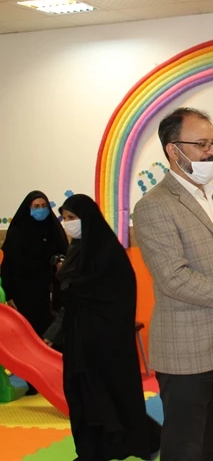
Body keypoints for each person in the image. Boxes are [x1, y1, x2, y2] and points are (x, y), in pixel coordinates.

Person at [132, 107, 213, 461]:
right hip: (186, 350)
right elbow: (174, 278)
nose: (210, 152)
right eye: (201, 144)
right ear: (173, 150)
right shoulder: (154, 206)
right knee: (185, 449)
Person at [49, 194, 161, 461]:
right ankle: (91, 450)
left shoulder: (109, 252)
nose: (67, 223)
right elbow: (68, 294)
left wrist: (75, 288)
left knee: (110, 394)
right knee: (81, 393)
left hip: (105, 342)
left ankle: (132, 441)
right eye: (64, 218)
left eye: (72, 218)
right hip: (79, 339)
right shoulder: (76, 250)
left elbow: (116, 296)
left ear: (87, 218)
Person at [0, 190, 68, 394]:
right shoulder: (17, 232)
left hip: (50, 294)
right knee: (29, 339)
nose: (41, 210)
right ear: (28, 208)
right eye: (36, 207)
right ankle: (34, 382)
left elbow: (65, 255)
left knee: (53, 334)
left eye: (44, 206)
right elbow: (8, 267)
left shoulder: (53, 229)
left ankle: (59, 378)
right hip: (24, 295)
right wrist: (9, 295)